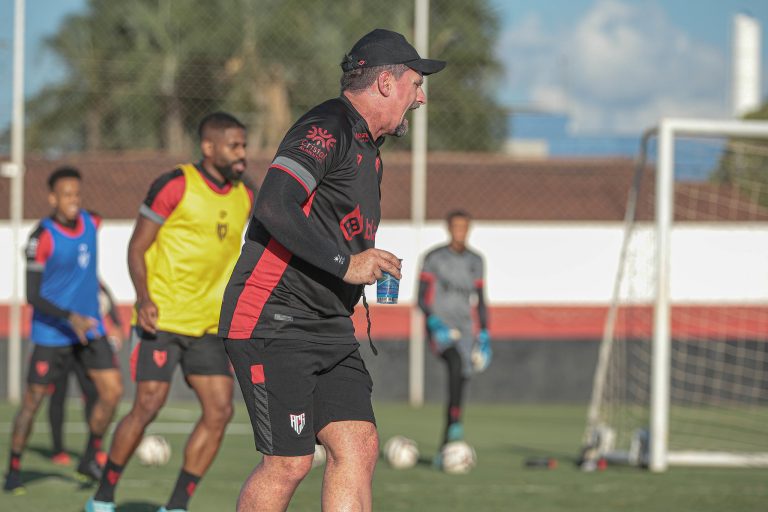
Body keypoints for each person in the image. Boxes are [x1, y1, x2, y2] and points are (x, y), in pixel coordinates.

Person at [218, 28, 445, 511]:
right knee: (289, 463)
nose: (421, 98)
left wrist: (368, 260)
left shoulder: (370, 153)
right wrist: (347, 263)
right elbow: (275, 205)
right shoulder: (326, 126)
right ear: (386, 83)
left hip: (328, 326)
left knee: (358, 447)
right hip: (272, 318)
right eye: (415, 84)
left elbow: (329, 229)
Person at [86, 112, 254, 512]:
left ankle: (176, 505)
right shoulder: (175, 184)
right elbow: (136, 247)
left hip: (211, 324)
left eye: (244, 145)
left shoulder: (245, 194)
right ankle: (103, 498)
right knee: (147, 404)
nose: (242, 153)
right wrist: (143, 297)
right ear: (209, 147)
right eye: (234, 145)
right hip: (162, 319)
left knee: (220, 411)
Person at [3, 167, 124, 495]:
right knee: (33, 401)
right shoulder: (40, 237)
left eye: (77, 193)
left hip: (90, 331)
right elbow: (33, 294)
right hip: (52, 333)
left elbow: (89, 276)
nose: (74, 200)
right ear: (53, 198)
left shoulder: (92, 222)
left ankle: (89, 456)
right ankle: (14, 468)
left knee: (112, 392)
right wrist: (69, 317)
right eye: (67, 195)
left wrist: (109, 313)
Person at [418, 209, 491, 467]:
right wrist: (433, 321)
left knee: (461, 380)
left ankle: (446, 444)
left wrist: (484, 333)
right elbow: (421, 297)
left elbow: (481, 300)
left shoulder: (476, 261)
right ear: (449, 228)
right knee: (455, 364)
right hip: (441, 327)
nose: (460, 231)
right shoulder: (434, 258)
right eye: (456, 226)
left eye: (464, 227)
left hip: (466, 330)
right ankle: (455, 430)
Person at [48, 281, 124, 467]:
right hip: (62, 343)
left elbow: (109, 306)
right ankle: (58, 449)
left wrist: (116, 325)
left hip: (86, 345)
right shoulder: (63, 281)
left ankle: (94, 450)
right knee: (58, 396)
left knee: (94, 396)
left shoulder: (96, 284)